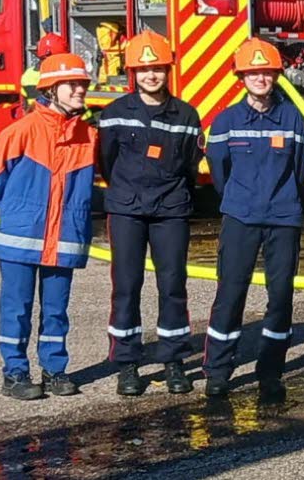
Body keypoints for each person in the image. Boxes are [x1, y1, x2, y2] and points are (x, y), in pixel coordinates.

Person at [201, 38, 304, 403]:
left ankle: (271, 373)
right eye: (253, 73)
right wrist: (239, 199)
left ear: (276, 75)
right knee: (230, 294)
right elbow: (219, 170)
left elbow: (299, 168)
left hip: (283, 218)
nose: (260, 78)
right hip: (240, 217)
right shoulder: (226, 121)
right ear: (241, 77)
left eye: (266, 72)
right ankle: (218, 372)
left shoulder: (292, 118)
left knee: (280, 297)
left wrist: (283, 200)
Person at [98, 30, 202, 396]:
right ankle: (127, 363)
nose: (151, 75)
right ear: (133, 73)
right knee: (126, 286)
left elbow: (191, 164)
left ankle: (173, 360)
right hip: (126, 210)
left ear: (168, 70)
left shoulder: (187, 115)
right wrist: (125, 192)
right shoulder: (113, 114)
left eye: (157, 68)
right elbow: (106, 161)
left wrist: (174, 196)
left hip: (170, 210)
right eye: (144, 69)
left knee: (172, 285)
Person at [0, 53, 95, 400]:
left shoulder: (89, 137)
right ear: (50, 89)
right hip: (22, 237)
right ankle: (15, 373)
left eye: (82, 84)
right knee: (16, 308)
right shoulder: (20, 132)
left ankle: (54, 371)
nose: (80, 89)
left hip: (64, 238)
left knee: (56, 311)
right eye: (72, 84)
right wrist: (20, 215)